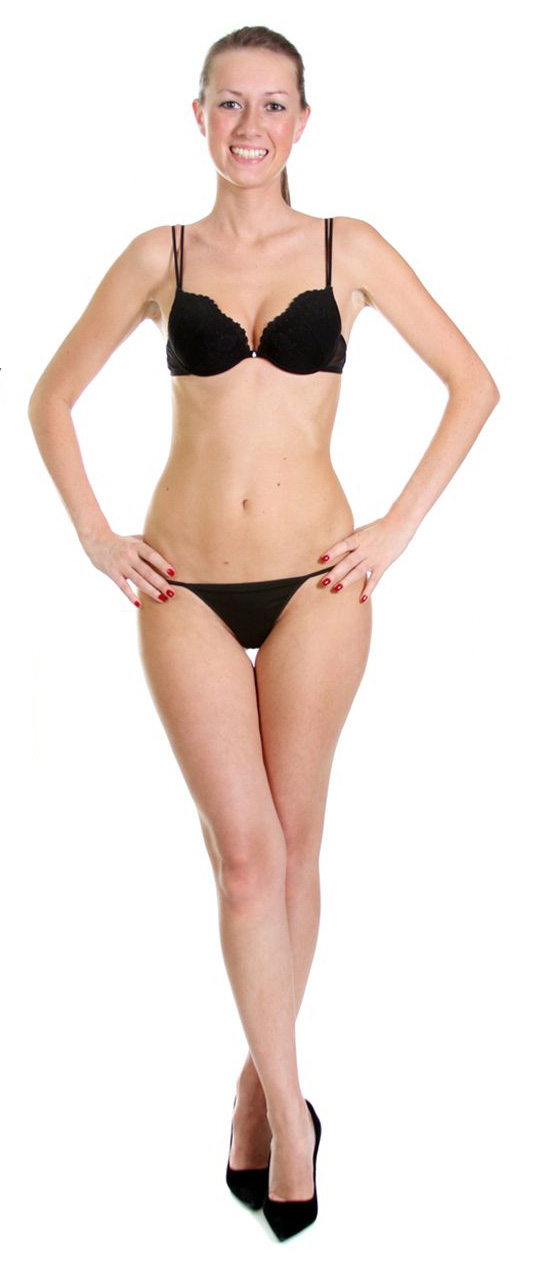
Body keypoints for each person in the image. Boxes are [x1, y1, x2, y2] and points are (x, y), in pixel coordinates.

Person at [27, 24, 500, 1241]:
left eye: (274, 104)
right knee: (245, 860)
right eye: (229, 103)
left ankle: (256, 1090)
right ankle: (295, 1111)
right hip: (182, 584)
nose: (251, 126)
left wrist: (397, 527)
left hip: (320, 584)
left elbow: (476, 385)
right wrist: (96, 535)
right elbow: (50, 398)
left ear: (303, 120)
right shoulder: (159, 255)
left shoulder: (352, 248)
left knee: (294, 851)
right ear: (197, 117)